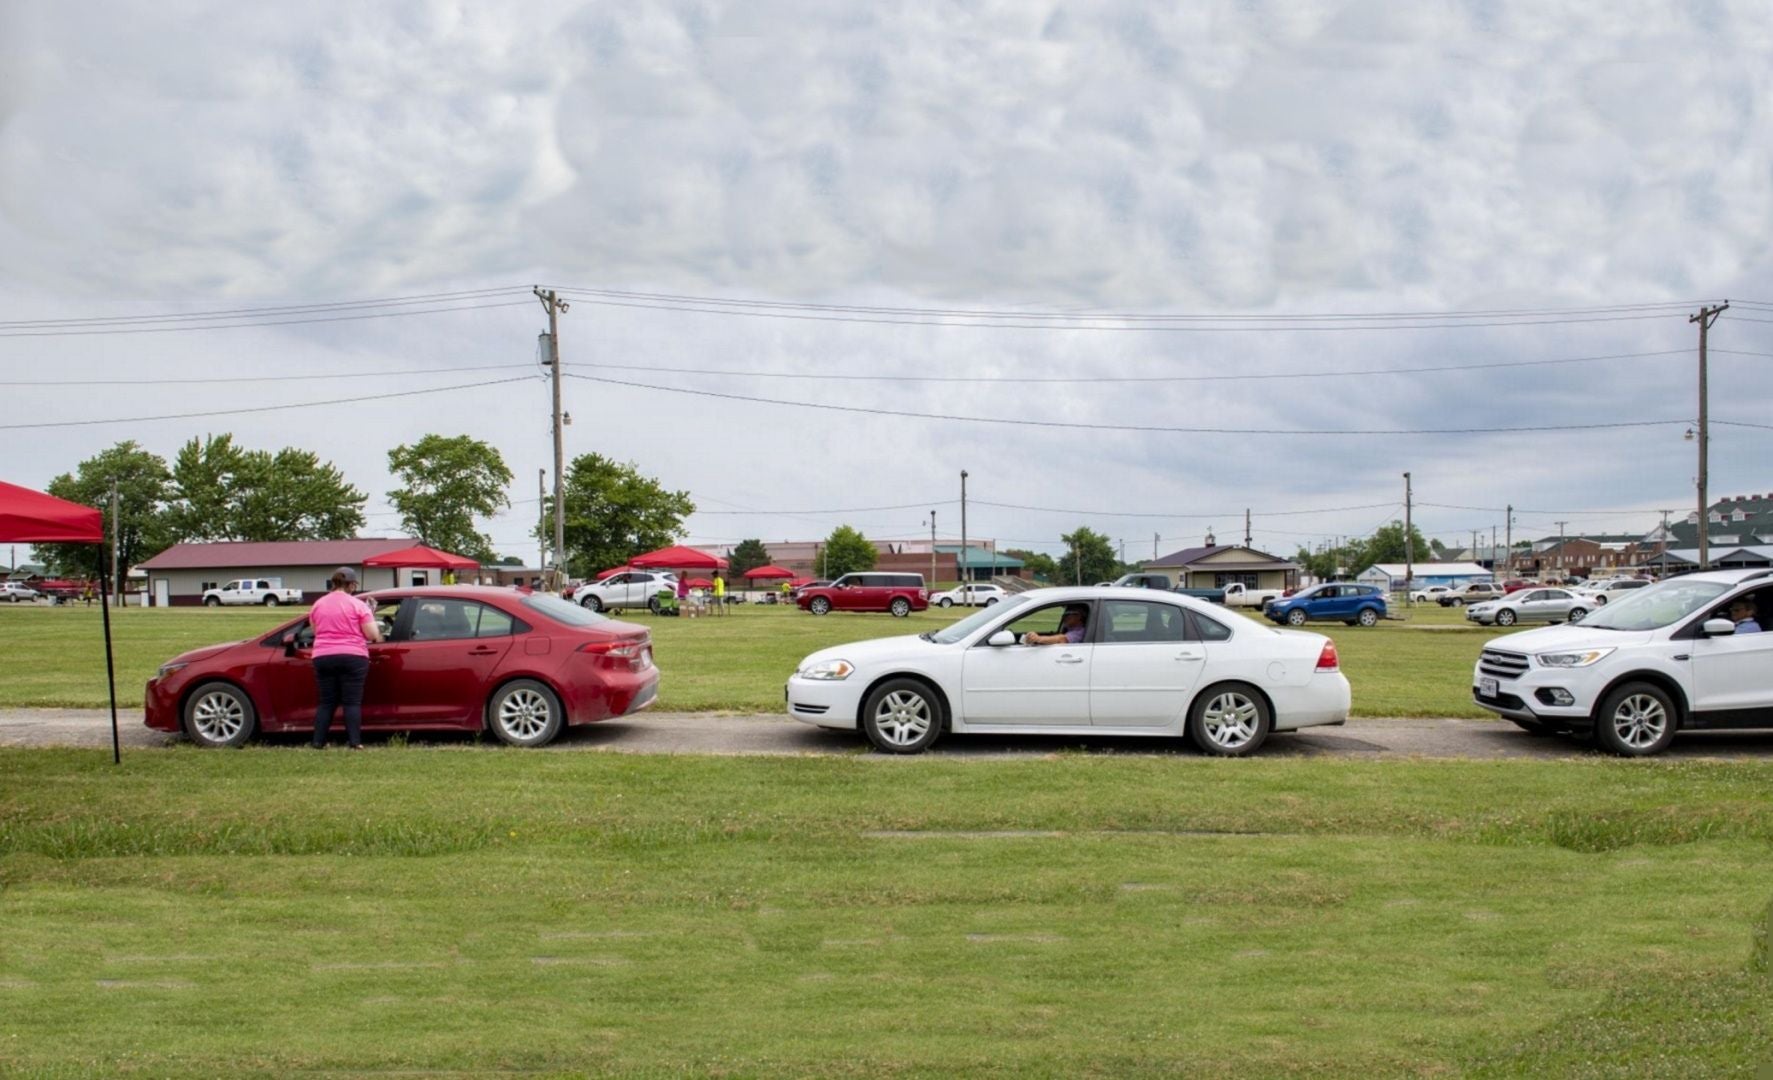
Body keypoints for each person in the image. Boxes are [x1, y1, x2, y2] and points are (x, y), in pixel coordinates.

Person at [309, 567, 383, 749]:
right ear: (352, 584)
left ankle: (318, 741)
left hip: (323, 656)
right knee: (352, 701)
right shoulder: (358, 605)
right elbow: (373, 635)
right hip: (352, 656)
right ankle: (354, 742)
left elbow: (315, 630)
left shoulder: (318, 604)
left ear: (333, 583)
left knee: (326, 701)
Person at [1024, 604, 1089, 645]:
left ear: (1079, 616)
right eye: (1064, 614)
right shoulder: (1068, 628)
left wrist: (1038, 638)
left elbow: (1061, 639)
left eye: (1068, 614)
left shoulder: (1080, 632)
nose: (1064, 616)